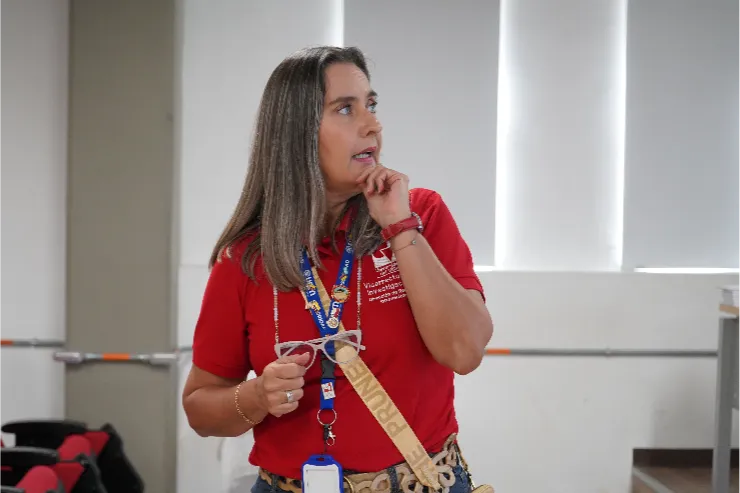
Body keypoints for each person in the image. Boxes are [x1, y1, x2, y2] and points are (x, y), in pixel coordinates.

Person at [182, 46, 494, 493]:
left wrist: (399, 228)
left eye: (371, 105)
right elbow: (200, 409)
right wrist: (257, 396)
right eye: (346, 109)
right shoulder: (246, 258)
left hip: (421, 483)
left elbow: (465, 352)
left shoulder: (420, 214)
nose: (372, 125)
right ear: (297, 132)